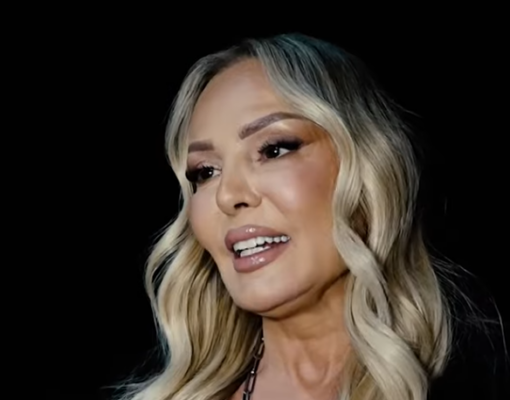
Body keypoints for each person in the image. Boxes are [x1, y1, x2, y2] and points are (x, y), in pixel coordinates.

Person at [113, 34, 506, 400]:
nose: (228, 196)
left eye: (274, 149)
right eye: (205, 172)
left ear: (368, 165)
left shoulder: (479, 375)